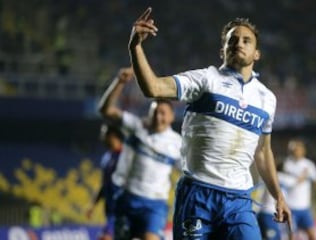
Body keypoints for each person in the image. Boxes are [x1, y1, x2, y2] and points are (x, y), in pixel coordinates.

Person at [128, 7, 292, 239]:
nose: (239, 43)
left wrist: (279, 196)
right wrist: (135, 46)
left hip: (239, 200)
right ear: (222, 50)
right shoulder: (206, 79)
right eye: (232, 39)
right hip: (197, 194)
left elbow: (263, 152)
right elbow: (152, 87)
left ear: (257, 54)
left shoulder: (267, 99)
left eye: (247, 40)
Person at [98, 67, 182, 240]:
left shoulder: (177, 143)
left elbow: (187, 173)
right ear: (149, 113)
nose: (159, 117)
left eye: (163, 113)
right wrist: (119, 83)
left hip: (155, 205)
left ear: (172, 117)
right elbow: (105, 110)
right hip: (127, 198)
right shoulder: (136, 127)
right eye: (155, 112)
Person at [86, 123, 124, 240]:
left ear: (113, 136)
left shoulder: (127, 156)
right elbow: (104, 184)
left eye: (104, 134)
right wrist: (93, 204)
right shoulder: (106, 158)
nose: (102, 137)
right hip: (110, 210)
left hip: (123, 209)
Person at [257, 163, 308, 240]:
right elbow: (298, 181)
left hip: (262, 212)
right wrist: (305, 173)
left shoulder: (268, 177)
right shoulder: (285, 178)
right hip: (271, 214)